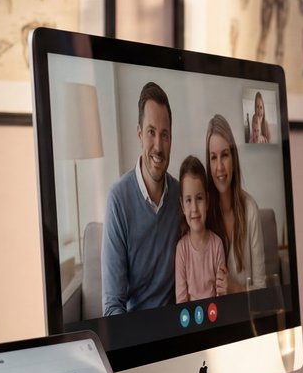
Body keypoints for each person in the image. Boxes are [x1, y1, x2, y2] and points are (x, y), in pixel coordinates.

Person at [102, 83, 181, 315]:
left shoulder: (181, 197)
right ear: (139, 133)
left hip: (177, 328)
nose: (158, 145)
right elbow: (112, 306)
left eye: (164, 135)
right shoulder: (118, 199)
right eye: (151, 132)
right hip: (136, 334)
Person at [206, 114, 268, 293]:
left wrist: (234, 288)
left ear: (233, 158)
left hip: (246, 317)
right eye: (213, 157)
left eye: (224, 155)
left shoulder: (250, 210)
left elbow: (262, 290)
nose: (220, 168)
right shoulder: (204, 214)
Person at [175, 156, 227, 303]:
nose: (195, 209)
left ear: (207, 201)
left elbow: (221, 295)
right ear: (182, 206)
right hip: (191, 321)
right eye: (188, 200)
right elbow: (181, 300)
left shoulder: (217, 244)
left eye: (199, 198)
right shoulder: (181, 250)